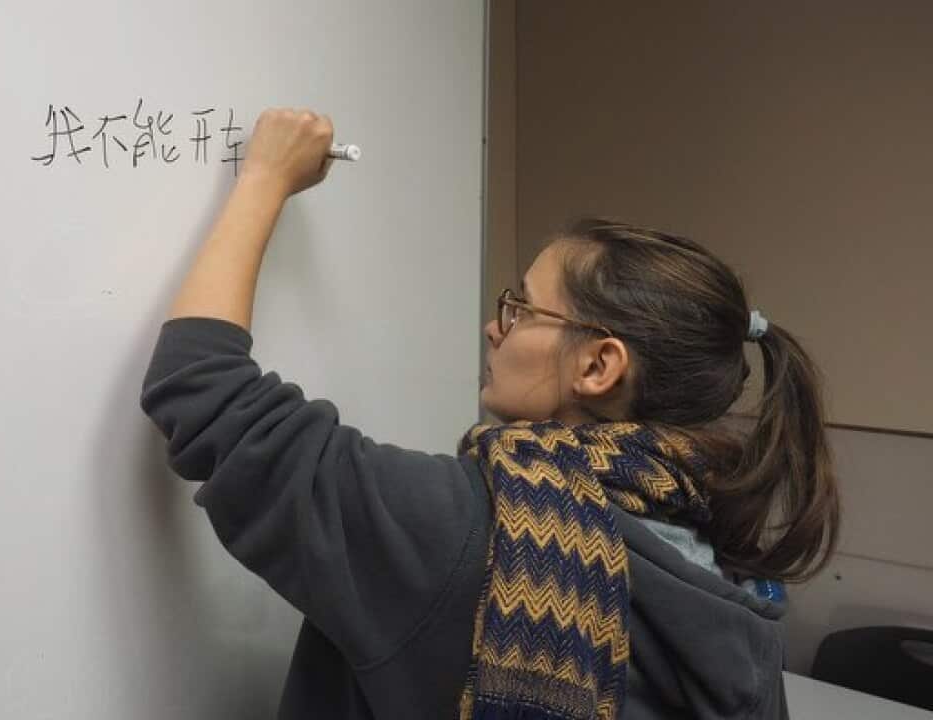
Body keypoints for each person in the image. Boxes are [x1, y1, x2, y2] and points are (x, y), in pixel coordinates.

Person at [140, 108, 839, 719]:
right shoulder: (726, 579)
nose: (494, 327)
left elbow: (201, 388)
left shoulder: (468, 534)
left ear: (599, 366)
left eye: (521, 307)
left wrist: (263, 178)